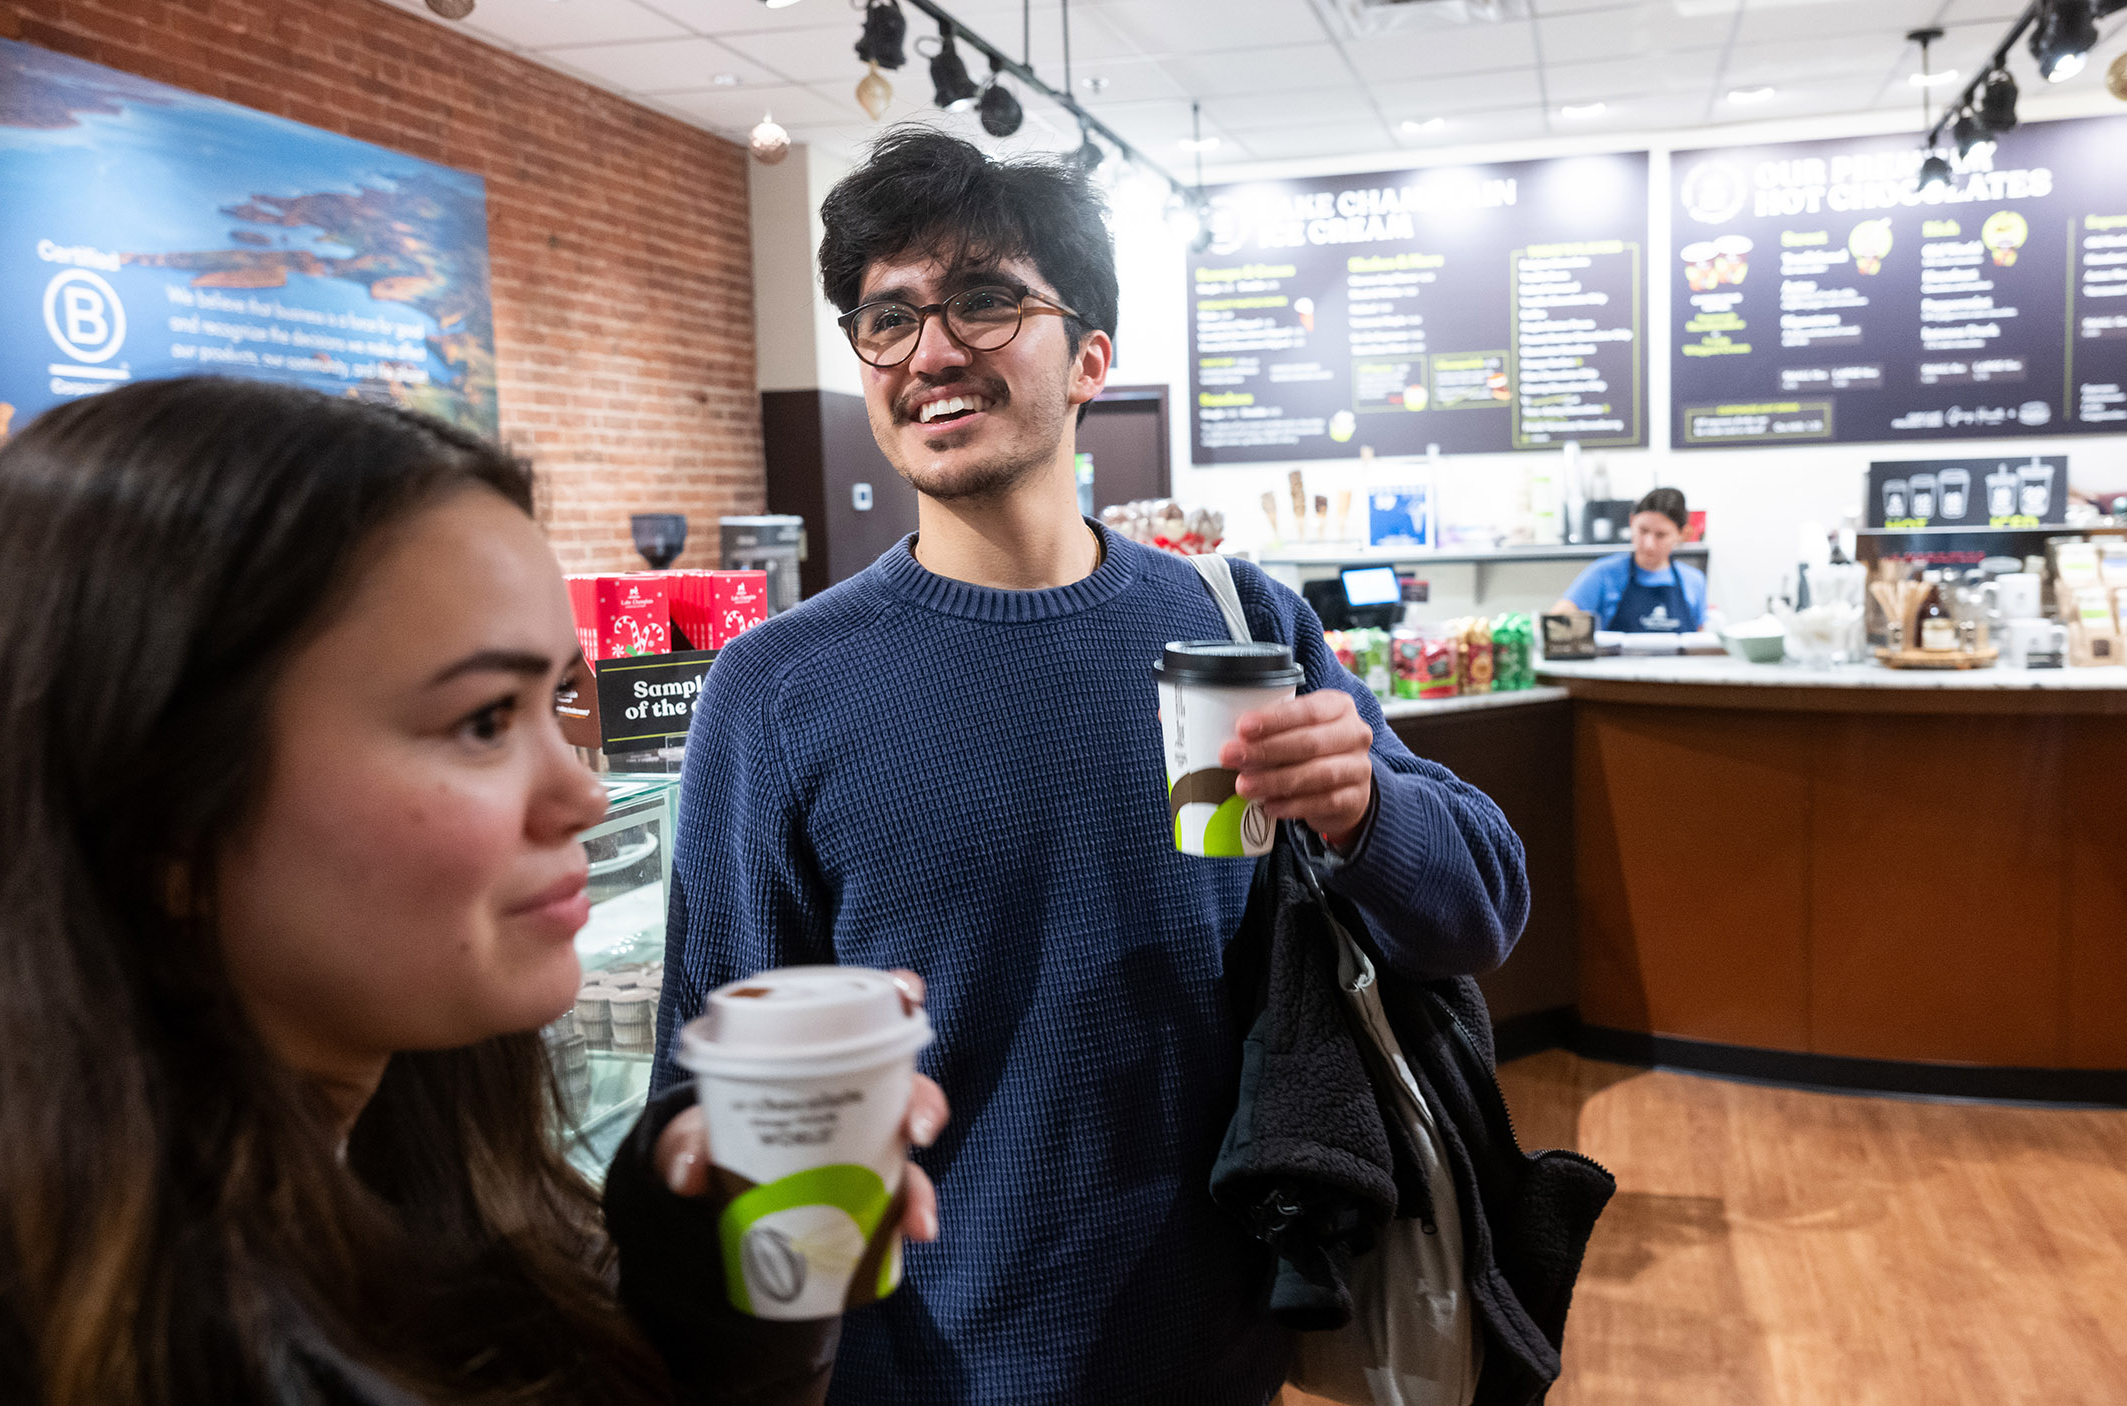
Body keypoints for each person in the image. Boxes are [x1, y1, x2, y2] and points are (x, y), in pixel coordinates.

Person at [654, 128, 1530, 1405]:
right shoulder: (777, 689)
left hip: (1223, 1347)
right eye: (885, 319)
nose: (931, 351)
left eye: (985, 301)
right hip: (922, 1370)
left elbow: (1481, 906)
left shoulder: (1237, 624)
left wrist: (1364, 805)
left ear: (1091, 363)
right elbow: (705, 1073)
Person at [0, 377, 944, 1406]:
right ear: (160, 808)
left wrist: (710, 1299)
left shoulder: (396, 1194)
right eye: (481, 721)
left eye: (558, 697)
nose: (582, 794)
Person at [1555, 485, 1710, 633]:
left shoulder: (1694, 581)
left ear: (1683, 534)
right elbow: (1558, 619)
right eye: (1643, 531)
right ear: (1631, 521)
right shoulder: (1604, 574)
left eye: (1661, 535)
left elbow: (1700, 640)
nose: (1649, 544)